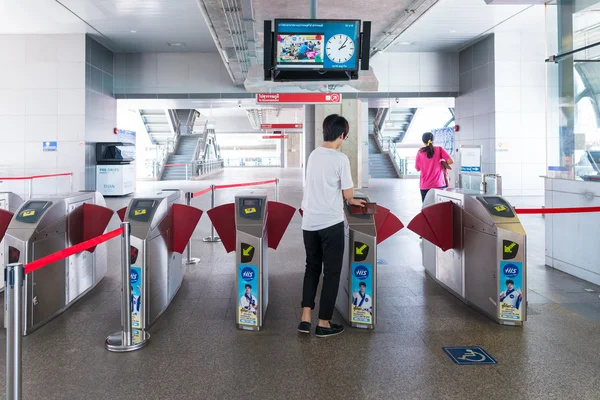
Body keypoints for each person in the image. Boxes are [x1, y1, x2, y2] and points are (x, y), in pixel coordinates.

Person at [298, 114, 366, 338]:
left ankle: (305, 318)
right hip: (330, 223)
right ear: (341, 135)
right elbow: (348, 194)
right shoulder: (340, 159)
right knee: (332, 273)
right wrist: (352, 199)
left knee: (312, 268)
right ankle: (324, 323)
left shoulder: (313, 155)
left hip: (309, 223)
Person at [415, 132, 454, 202]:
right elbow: (451, 161)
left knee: (426, 208)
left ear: (423, 141)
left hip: (425, 186)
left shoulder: (420, 152)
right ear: (433, 139)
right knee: (440, 208)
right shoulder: (439, 149)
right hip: (439, 185)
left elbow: (417, 168)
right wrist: (442, 162)